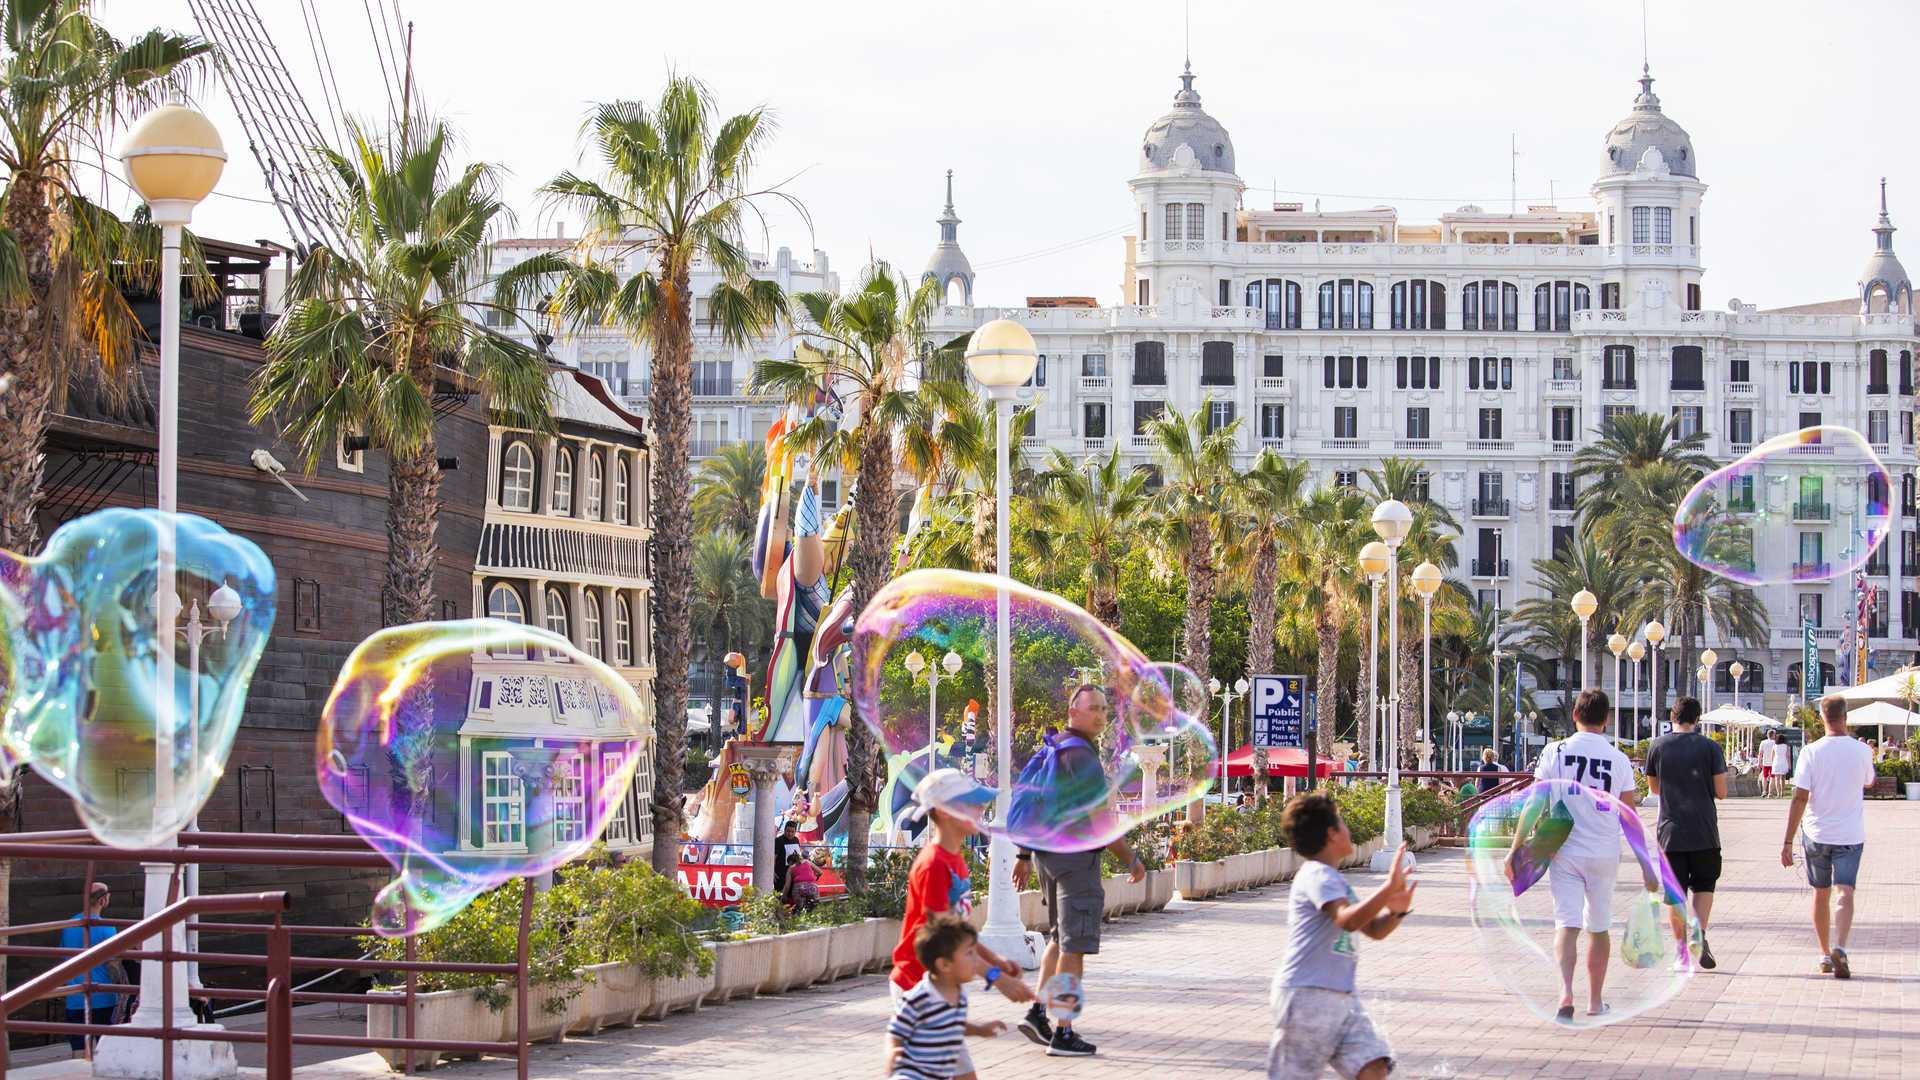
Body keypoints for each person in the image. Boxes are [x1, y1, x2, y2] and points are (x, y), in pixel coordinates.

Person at [1011, 684, 1145, 1058]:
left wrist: (1025, 854)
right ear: (1073, 713)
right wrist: (1130, 859)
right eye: (1094, 709)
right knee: (1075, 946)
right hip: (1076, 861)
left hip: (1049, 858)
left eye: (1104, 709)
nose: (1102, 716)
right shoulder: (1082, 757)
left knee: (1058, 936)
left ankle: (1038, 1012)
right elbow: (1099, 818)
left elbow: (1036, 802)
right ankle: (1064, 1032)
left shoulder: (1055, 748)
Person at [889, 768, 1033, 1080]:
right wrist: (996, 977)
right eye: (972, 804)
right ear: (944, 812)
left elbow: (958, 929)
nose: (982, 810)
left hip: (941, 983)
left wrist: (996, 960)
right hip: (919, 985)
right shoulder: (934, 865)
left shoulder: (955, 858)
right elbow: (946, 936)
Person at [1509, 688, 1640, 1023]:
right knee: (1598, 926)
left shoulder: (1555, 751)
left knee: (1566, 924)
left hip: (1563, 848)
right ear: (1606, 719)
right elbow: (1629, 814)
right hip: (1604, 850)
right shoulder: (1618, 759)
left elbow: (1535, 802)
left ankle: (1566, 993)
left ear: (1575, 716)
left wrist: (1515, 848)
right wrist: (1646, 863)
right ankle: (1595, 1001)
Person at [1267, 792, 1417, 1080]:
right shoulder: (1316, 875)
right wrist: (1387, 889)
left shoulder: (1335, 880)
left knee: (1373, 1067)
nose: (1348, 830)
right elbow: (1346, 921)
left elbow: (1373, 929)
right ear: (1332, 834)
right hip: (1305, 995)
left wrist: (1396, 912)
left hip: (1341, 998)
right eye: (1343, 824)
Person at [1781, 697, 1876, 979]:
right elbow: (1868, 781)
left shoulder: (1811, 751)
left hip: (1816, 832)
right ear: (1845, 716)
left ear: (1822, 718)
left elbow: (1800, 796)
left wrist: (1787, 841)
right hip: (1850, 833)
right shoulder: (1862, 751)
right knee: (1845, 891)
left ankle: (1824, 954)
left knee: (1820, 894)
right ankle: (1841, 948)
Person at [1645, 696, 1727, 969]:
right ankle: (1700, 934)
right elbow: (1722, 792)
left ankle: (1680, 953)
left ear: (1672, 716)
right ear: (1698, 718)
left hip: (1670, 831)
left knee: (1675, 894)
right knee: (1704, 885)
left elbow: (1654, 789)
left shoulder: (1657, 746)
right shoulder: (1710, 748)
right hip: (1704, 830)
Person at [886, 915, 1008, 1080]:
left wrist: (980, 1030)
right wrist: (893, 1055)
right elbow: (895, 1032)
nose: (976, 961)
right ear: (944, 965)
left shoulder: (960, 994)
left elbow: (952, 1025)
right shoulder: (920, 998)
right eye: (969, 954)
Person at [59, 882, 121, 1057]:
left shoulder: (68, 925)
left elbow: (64, 959)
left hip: (75, 998)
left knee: (79, 1051)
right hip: (104, 998)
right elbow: (113, 964)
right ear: (102, 900)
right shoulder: (108, 928)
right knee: (105, 1051)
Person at [774, 819, 799, 894]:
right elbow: (773, 857)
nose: (790, 834)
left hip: (794, 874)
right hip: (781, 874)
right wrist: (772, 872)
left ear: (795, 832)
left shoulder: (796, 840)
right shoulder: (778, 840)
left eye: (792, 832)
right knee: (780, 895)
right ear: (784, 830)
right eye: (788, 831)